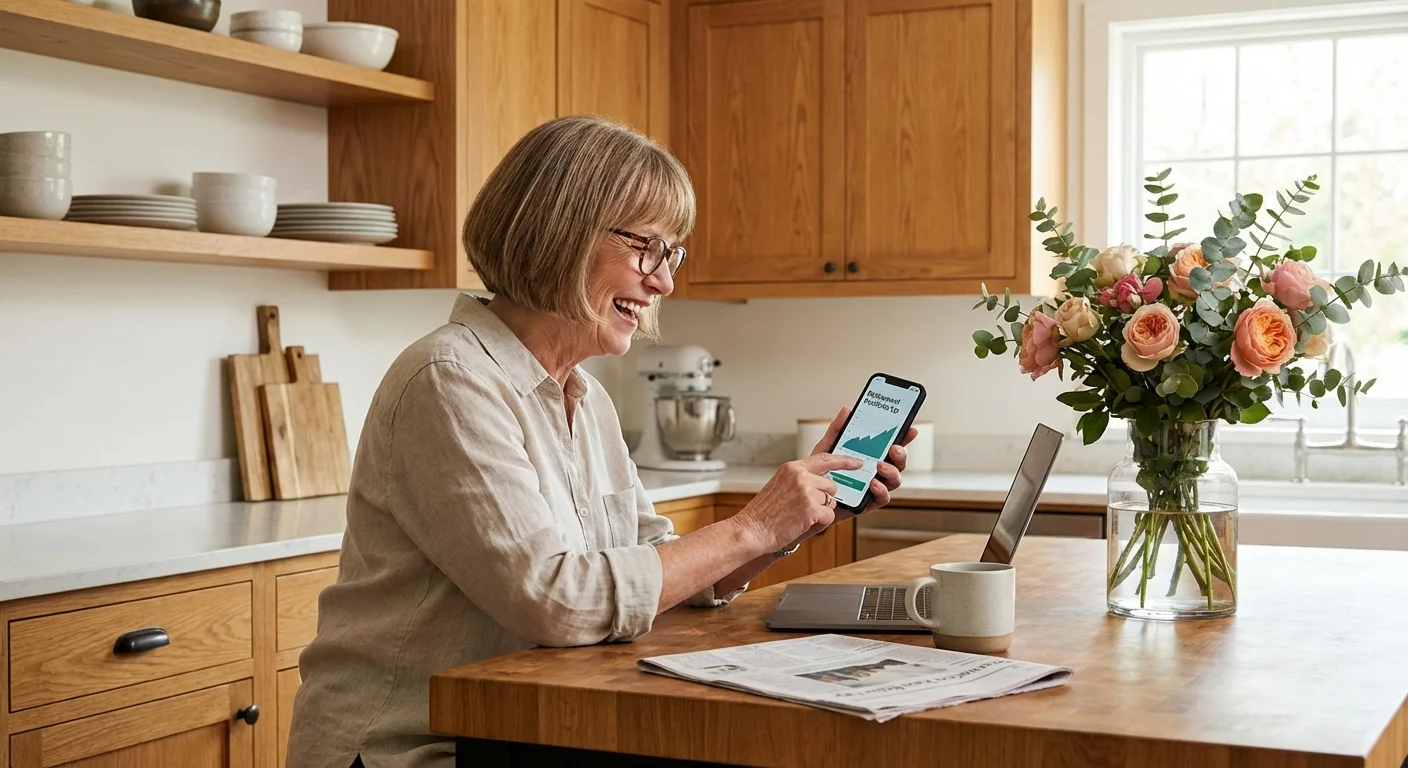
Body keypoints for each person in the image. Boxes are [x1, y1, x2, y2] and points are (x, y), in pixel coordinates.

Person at [284, 115, 915, 768]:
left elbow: (654, 571)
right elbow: (556, 600)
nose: (664, 281)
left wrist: (795, 518)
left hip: (531, 726)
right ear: (560, 230)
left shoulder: (587, 400)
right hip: (410, 748)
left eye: (672, 254)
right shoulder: (449, 379)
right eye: (648, 248)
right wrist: (753, 526)